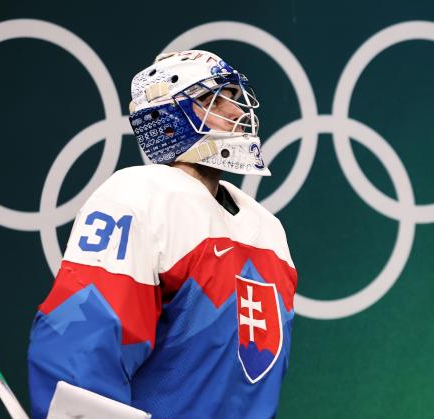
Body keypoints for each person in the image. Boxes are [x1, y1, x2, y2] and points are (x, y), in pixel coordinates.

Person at [28, 50, 298, 419]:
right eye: (212, 100)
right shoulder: (137, 198)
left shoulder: (268, 230)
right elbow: (84, 340)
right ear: (166, 120)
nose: (236, 113)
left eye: (235, 99)